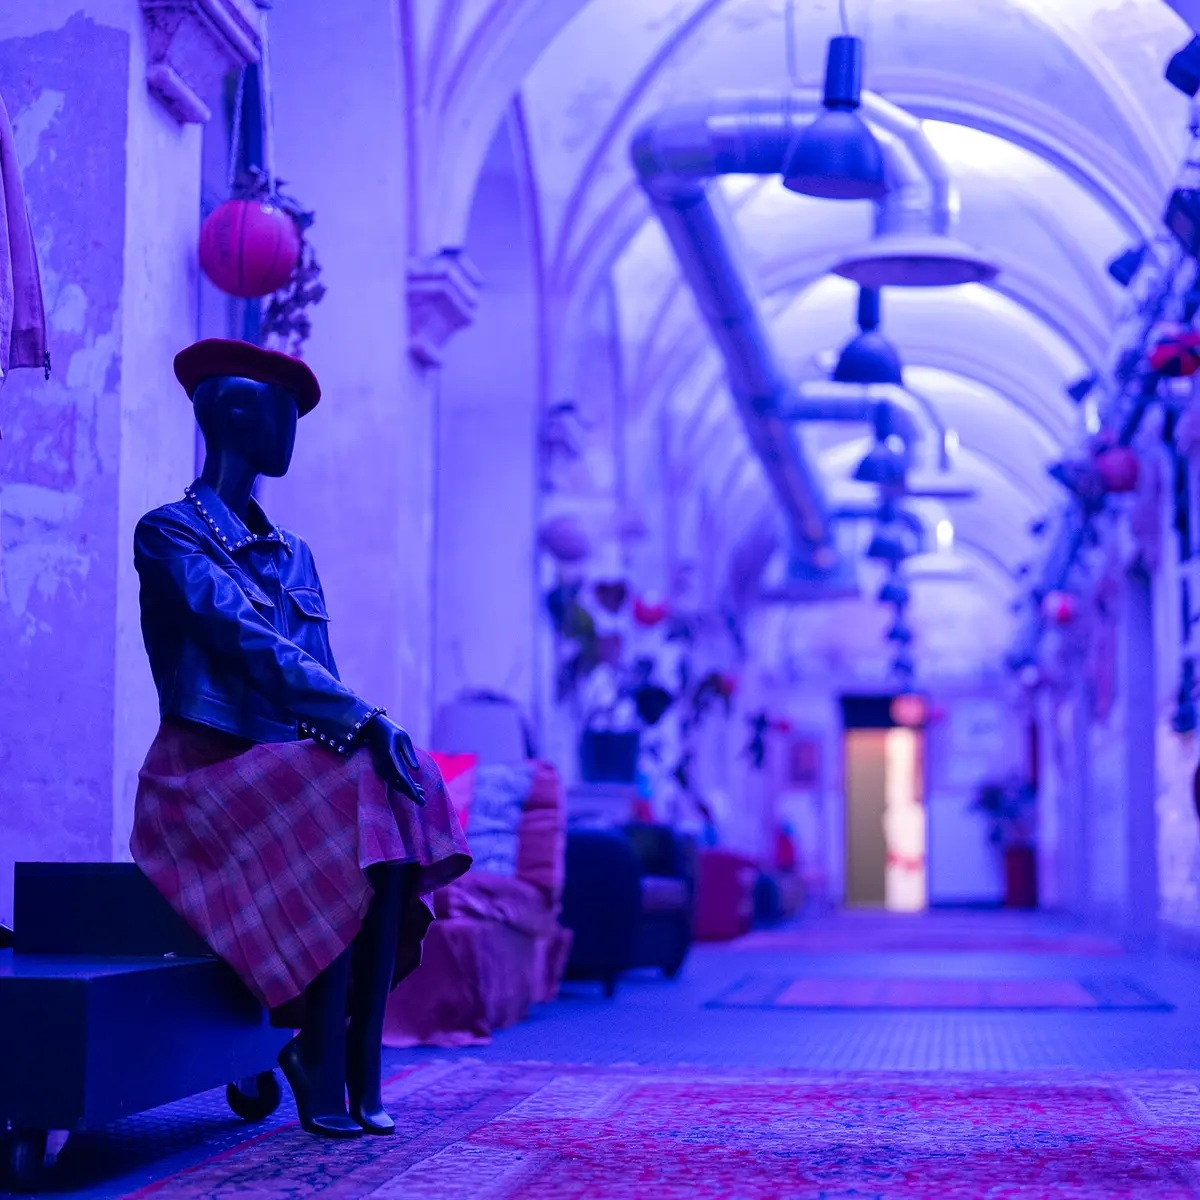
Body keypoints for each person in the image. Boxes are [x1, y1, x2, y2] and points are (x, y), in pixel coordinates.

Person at [129, 338, 471, 1138]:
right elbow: (245, 639)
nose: (295, 429)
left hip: (287, 778)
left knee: (395, 772)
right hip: (201, 780)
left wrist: (369, 732)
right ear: (239, 414)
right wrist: (365, 724)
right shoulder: (169, 534)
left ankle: (356, 1052)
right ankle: (320, 1054)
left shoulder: (297, 555)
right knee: (359, 781)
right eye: (286, 410)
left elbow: (316, 678)